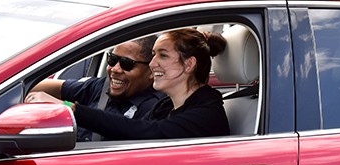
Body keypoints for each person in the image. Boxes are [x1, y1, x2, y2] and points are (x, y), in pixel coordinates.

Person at [26, 28, 230, 140]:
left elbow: (143, 132)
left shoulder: (206, 114)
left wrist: (68, 108)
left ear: (189, 64)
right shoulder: (167, 106)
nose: (152, 64)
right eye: (153, 55)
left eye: (163, 56)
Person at [27, 36, 164, 141]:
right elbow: (41, 86)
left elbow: (119, 128)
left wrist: (65, 107)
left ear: (151, 71)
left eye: (126, 64)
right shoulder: (101, 86)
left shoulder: (156, 109)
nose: (115, 69)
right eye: (112, 59)